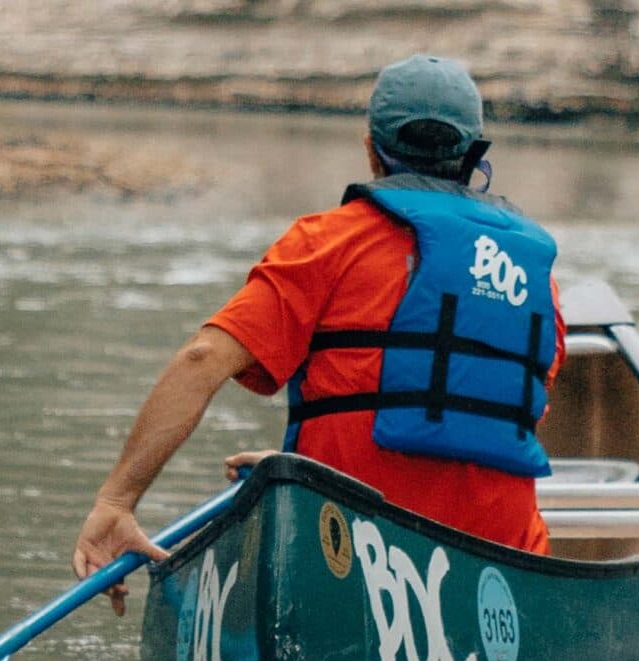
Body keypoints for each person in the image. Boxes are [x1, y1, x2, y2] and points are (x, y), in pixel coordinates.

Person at [69, 54, 566, 615]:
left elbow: (202, 359)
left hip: (350, 559)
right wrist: (302, 466)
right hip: (499, 577)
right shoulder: (536, 278)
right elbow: (474, 411)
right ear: (474, 155)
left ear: (371, 150)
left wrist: (116, 501)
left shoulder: (326, 243)